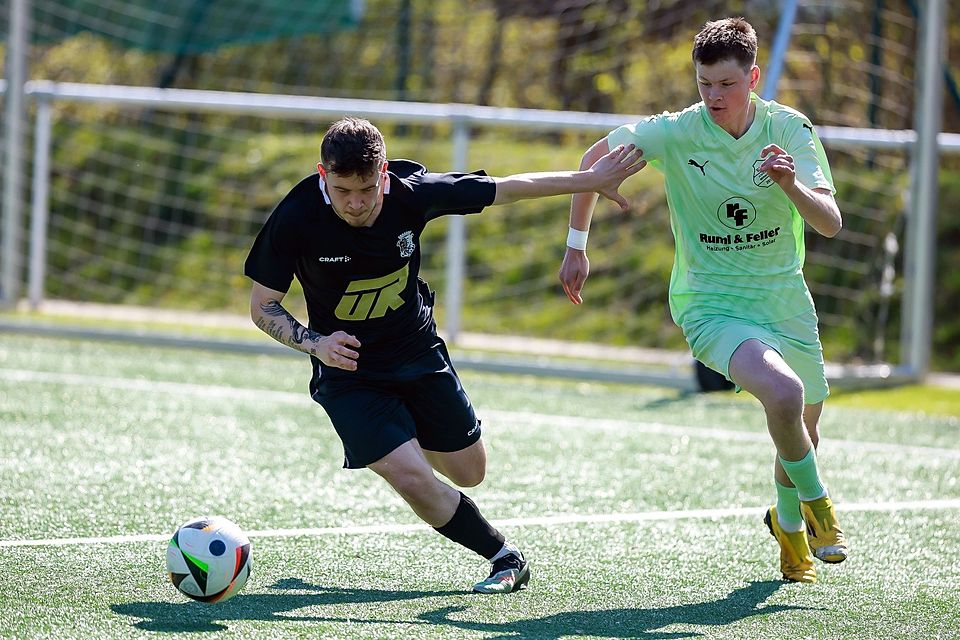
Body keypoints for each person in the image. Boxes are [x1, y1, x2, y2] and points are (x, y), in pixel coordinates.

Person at [244, 116, 644, 594]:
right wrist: (316, 343)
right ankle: (502, 555)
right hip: (348, 371)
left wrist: (591, 180)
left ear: (384, 173)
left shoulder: (413, 193)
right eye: (342, 189)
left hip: (416, 352)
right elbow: (262, 305)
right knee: (411, 476)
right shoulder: (297, 216)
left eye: (367, 189)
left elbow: (509, 188)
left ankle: (406, 437)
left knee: (469, 472)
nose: (355, 203)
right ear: (323, 173)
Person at [558, 17, 848, 584]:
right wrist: (576, 245)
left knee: (801, 431)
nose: (714, 97)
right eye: (703, 84)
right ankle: (824, 514)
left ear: (753, 77)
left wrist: (791, 186)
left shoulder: (790, 130)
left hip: (784, 298)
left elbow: (831, 223)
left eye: (726, 85)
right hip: (709, 303)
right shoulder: (677, 132)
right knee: (783, 395)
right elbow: (594, 160)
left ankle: (789, 534)